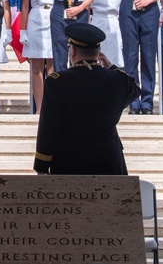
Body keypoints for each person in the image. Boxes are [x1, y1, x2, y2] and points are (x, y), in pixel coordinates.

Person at [33, 23, 141, 175]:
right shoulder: (117, 79)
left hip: (69, 161)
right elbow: (134, 90)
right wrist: (110, 66)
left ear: (73, 51)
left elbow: (48, 127)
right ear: (99, 51)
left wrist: (41, 165)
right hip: (108, 159)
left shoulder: (57, 82)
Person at [19, 0, 56, 112]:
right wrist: (23, 30)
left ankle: (52, 106)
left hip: (53, 17)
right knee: (37, 66)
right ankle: (40, 107)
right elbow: (25, 5)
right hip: (36, 16)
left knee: (53, 65)